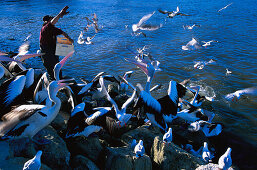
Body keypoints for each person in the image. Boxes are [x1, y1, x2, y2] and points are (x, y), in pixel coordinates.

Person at [39, 6, 73, 81]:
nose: (52, 20)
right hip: (46, 52)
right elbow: (53, 22)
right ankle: (54, 85)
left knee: (58, 68)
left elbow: (62, 32)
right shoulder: (46, 28)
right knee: (52, 70)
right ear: (47, 21)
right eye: (51, 19)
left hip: (52, 50)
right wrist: (59, 14)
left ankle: (59, 83)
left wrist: (69, 39)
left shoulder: (53, 29)